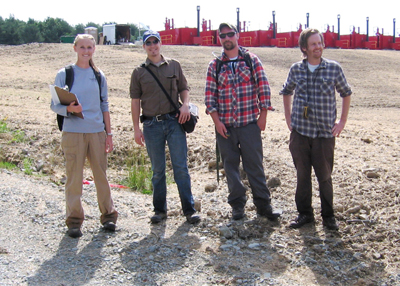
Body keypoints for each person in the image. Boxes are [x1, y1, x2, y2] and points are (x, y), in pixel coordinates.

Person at [204, 23, 280, 220]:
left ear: (237, 36)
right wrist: (216, 122)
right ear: (219, 39)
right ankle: (237, 205)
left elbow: (263, 88)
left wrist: (263, 115)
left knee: (254, 165)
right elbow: (209, 97)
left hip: (249, 125)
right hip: (225, 127)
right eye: (223, 36)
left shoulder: (251, 60)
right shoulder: (215, 65)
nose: (227, 38)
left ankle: (263, 205)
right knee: (230, 167)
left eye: (230, 34)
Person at [280, 28, 352, 230]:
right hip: (300, 133)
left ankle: (328, 217)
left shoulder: (333, 69)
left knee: (325, 177)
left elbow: (346, 93)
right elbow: (286, 91)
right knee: (302, 176)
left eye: (319, 43)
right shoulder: (296, 69)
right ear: (304, 48)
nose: (318, 47)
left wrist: (342, 121)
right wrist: (288, 117)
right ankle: (305, 214)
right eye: (313, 44)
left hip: (324, 135)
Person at [51, 34, 118, 238]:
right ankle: (74, 221)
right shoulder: (64, 74)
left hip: (96, 133)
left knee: (101, 177)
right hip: (72, 134)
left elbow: (104, 106)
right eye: (82, 47)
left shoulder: (99, 75)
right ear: (75, 48)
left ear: (94, 49)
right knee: (74, 178)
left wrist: (109, 133)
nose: (86, 51)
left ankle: (108, 217)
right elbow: (55, 104)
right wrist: (70, 110)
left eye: (89, 47)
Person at [129, 30, 200, 224]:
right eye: (148, 43)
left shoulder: (174, 65)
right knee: (158, 170)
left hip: (174, 122)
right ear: (144, 47)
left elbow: (184, 89)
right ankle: (160, 211)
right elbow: (135, 102)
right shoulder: (139, 72)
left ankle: (189, 210)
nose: (153, 46)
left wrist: (185, 105)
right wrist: (136, 129)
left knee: (181, 168)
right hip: (151, 125)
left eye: (155, 42)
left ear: (160, 44)